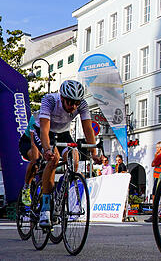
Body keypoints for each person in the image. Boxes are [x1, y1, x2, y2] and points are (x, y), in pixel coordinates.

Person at [17, 79, 101, 228]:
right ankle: (45, 207)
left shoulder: (82, 104)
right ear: (62, 97)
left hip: (62, 133)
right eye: (70, 102)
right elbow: (43, 129)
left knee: (74, 158)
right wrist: (47, 150)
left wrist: (94, 153)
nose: (73, 106)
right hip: (42, 131)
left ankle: (59, 193)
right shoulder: (49, 100)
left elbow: (88, 129)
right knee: (53, 159)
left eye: (76, 103)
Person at [143, 141, 161, 223]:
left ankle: (154, 214)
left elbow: (153, 163)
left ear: (160, 148)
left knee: (155, 195)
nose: (156, 149)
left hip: (159, 177)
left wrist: (156, 156)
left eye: (157, 148)